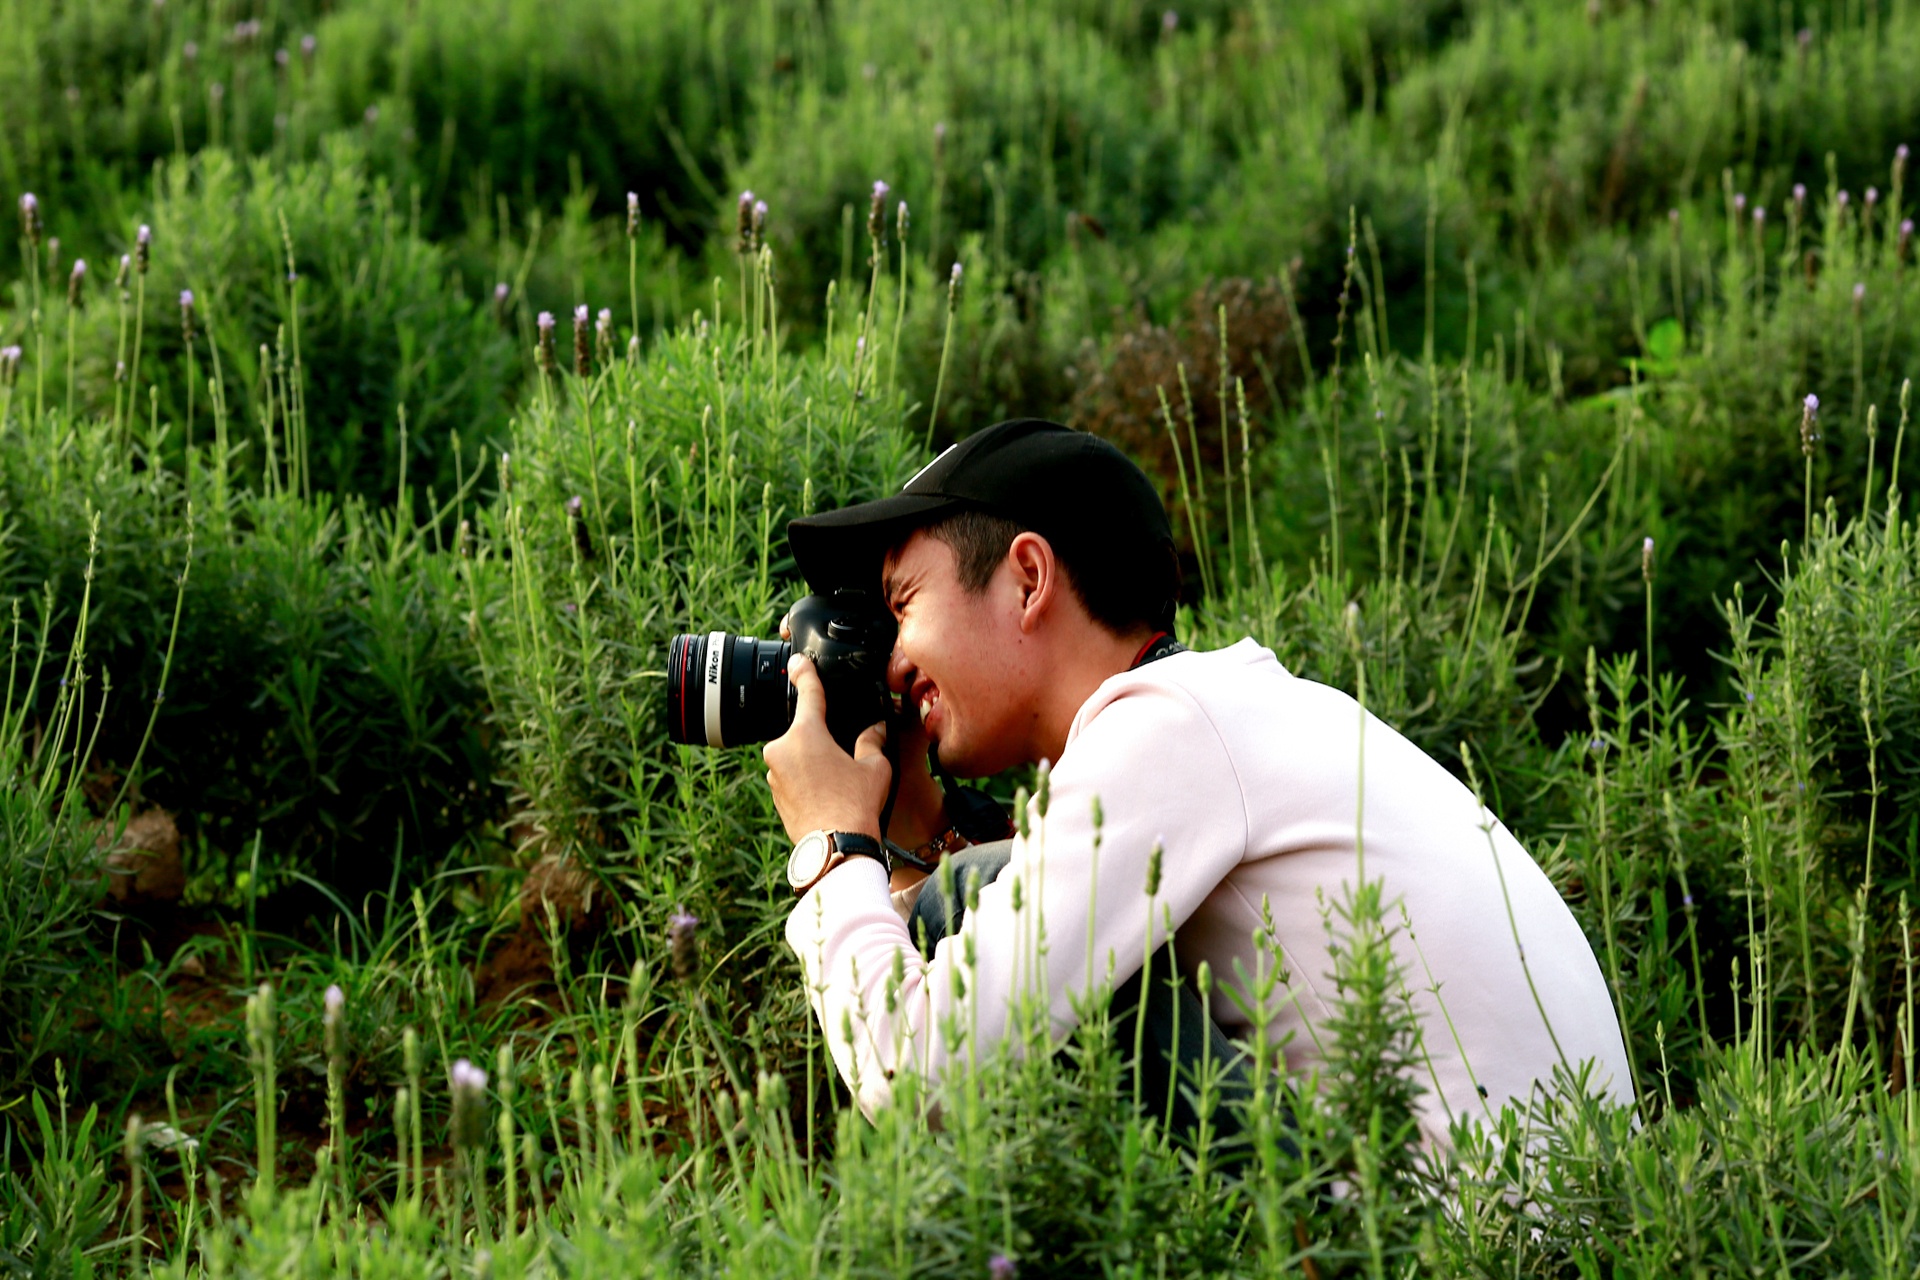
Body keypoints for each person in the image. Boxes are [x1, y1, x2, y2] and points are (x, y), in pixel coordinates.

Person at [764, 417, 1633, 1151]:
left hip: (1449, 1242)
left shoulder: (1168, 729)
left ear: (1028, 578)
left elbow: (916, 1078)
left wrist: (833, 845)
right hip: (1541, 1223)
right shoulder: (1230, 711)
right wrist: (910, 832)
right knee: (989, 901)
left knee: (976, 899)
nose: (895, 657)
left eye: (904, 604)